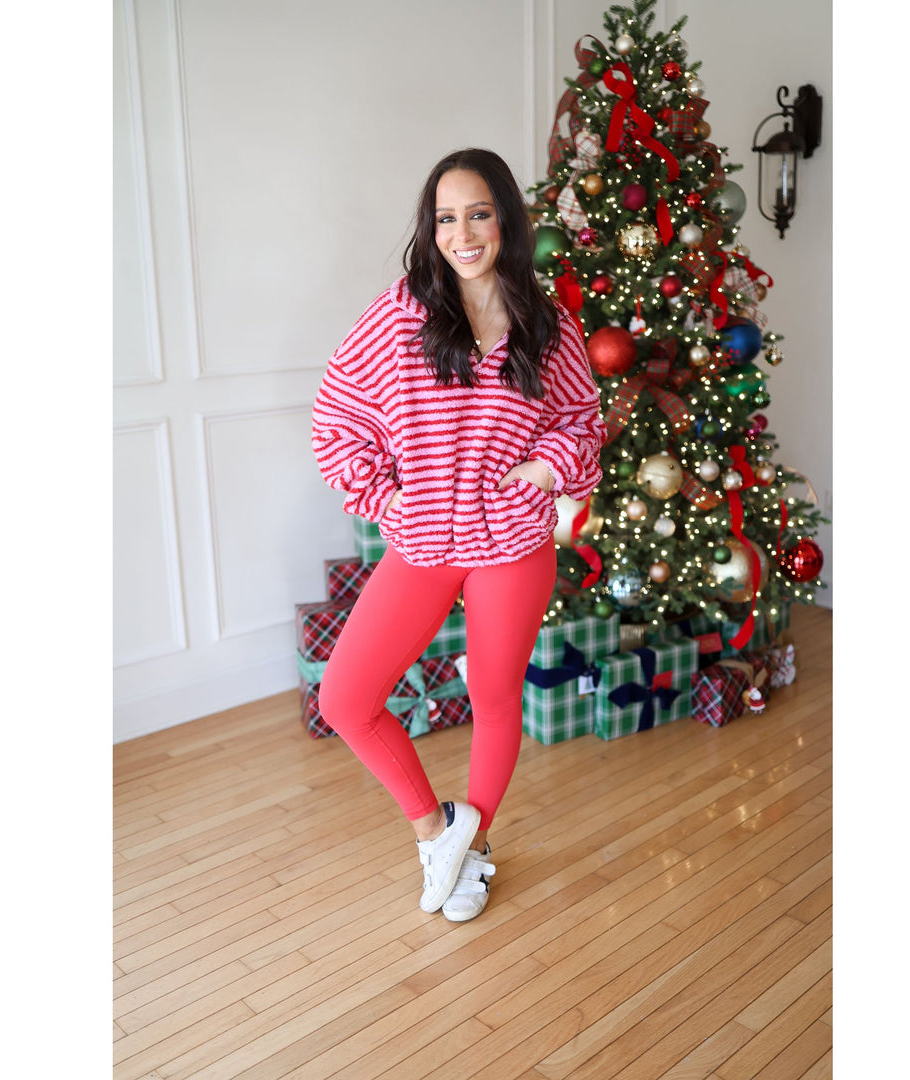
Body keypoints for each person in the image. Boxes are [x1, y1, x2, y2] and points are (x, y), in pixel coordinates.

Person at [311, 147, 606, 922]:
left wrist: (546, 467)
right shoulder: (401, 314)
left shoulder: (547, 323)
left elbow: (582, 423)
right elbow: (335, 418)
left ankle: (472, 857)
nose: (462, 234)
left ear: (505, 218)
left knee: (495, 697)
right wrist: (386, 501)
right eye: (446, 218)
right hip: (424, 541)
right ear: (430, 228)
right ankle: (439, 832)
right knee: (346, 698)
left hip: (512, 541)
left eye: (478, 214)